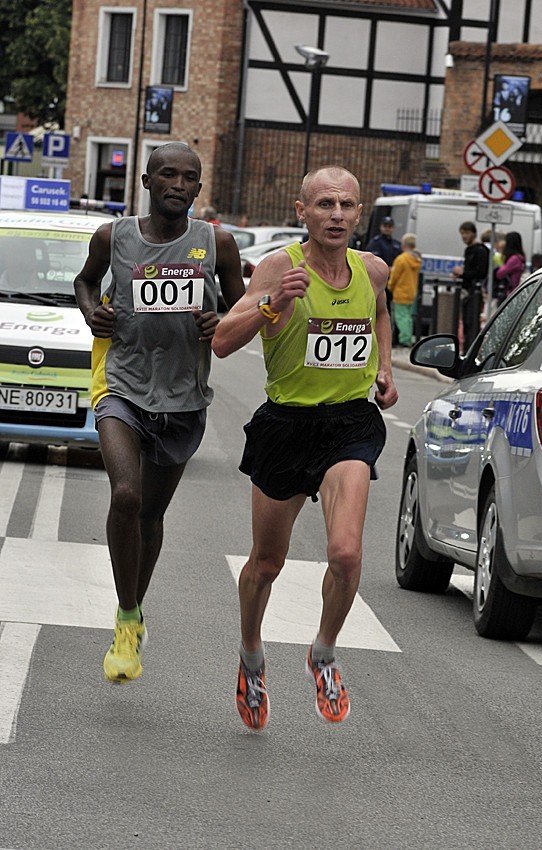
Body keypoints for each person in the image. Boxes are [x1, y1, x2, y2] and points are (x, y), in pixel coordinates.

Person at [212, 165, 398, 729]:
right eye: (324, 205)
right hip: (286, 424)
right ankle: (250, 654)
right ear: (302, 212)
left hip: (350, 423)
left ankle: (323, 650)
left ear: (359, 213)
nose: (336, 215)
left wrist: (386, 366)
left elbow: (382, 314)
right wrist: (271, 305)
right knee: (267, 563)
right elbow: (222, 341)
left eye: (346, 205)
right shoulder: (276, 267)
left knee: (345, 553)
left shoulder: (374, 270)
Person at [73, 142, 245, 683]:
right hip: (120, 386)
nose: (177, 183)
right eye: (166, 174)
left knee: (150, 515)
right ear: (145, 182)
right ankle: (126, 621)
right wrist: (90, 311)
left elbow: (240, 311)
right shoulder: (114, 236)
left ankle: (135, 606)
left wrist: (220, 321)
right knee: (126, 495)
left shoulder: (216, 242)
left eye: (188, 177)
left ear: (198, 187)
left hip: (184, 399)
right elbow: (84, 282)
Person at [451, 221, 489, 352]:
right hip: (467, 290)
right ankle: (466, 349)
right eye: (462, 233)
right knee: (466, 322)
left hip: (475, 291)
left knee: (472, 322)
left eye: (466, 233)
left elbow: (481, 272)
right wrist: (461, 275)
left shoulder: (481, 250)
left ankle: (471, 350)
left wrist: (464, 273)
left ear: (474, 233)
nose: (464, 236)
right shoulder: (469, 250)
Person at [387, 233, 421, 348]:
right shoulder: (416, 260)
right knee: (408, 317)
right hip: (412, 291)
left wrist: (390, 286)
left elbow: (395, 276)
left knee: (401, 317)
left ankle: (404, 340)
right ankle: (408, 337)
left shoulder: (401, 260)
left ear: (404, 245)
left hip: (400, 292)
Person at [494, 231, 526, 304]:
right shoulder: (520, 257)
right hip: (515, 291)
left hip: (511, 292)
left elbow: (500, 274)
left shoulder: (514, 259)